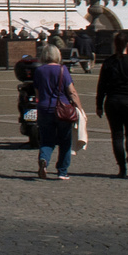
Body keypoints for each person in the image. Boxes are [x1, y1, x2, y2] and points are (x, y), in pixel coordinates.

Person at [95, 32, 128, 177]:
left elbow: (101, 86)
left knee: (117, 135)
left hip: (113, 102)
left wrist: (99, 105)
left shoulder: (108, 62)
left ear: (114, 45)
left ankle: (122, 168)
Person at [32, 45, 81, 180]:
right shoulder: (62, 69)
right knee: (65, 141)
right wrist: (79, 108)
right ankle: (62, 171)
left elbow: (37, 93)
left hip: (44, 108)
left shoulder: (39, 71)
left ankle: (44, 160)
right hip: (62, 109)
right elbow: (71, 91)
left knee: (47, 140)